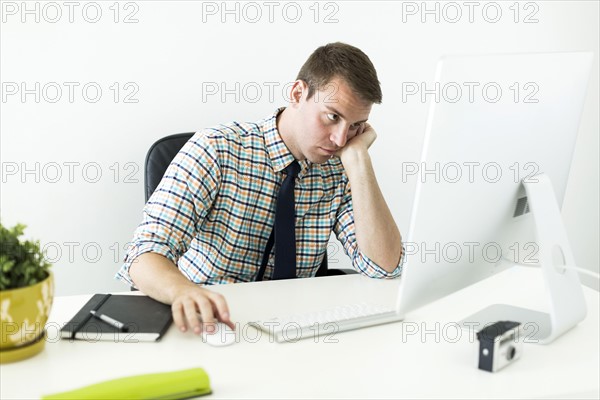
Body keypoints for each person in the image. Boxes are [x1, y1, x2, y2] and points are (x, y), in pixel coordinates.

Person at [116, 42, 405, 335]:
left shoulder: (340, 168)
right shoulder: (216, 149)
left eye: (357, 125)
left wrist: (359, 161)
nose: (341, 139)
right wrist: (183, 292)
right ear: (297, 94)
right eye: (332, 117)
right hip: (213, 325)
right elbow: (144, 254)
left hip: (294, 330)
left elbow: (384, 267)